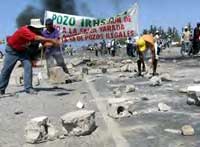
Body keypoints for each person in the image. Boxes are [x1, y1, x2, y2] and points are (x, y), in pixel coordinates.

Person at [0, 18, 59, 95]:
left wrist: (55, 43)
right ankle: (1, 88)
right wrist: (52, 40)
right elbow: (36, 38)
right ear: (32, 28)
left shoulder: (38, 33)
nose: (39, 30)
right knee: (7, 70)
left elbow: (44, 43)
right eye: (38, 28)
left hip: (22, 51)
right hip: (12, 50)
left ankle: (28, 88)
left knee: (28, 66)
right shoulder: (24, 30)